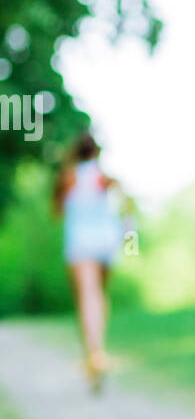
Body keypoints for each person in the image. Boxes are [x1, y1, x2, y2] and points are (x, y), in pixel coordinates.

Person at [53, 132, 127, 391]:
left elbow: (57, 212)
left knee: (88, 296)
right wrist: (129, 245)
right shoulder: (106, 179)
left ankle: (93, 351)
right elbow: (126, 212)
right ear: (97, 153)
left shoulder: (67, 178)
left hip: (80, 243)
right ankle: (98, 348)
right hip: (107, 242)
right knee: (100, 295)